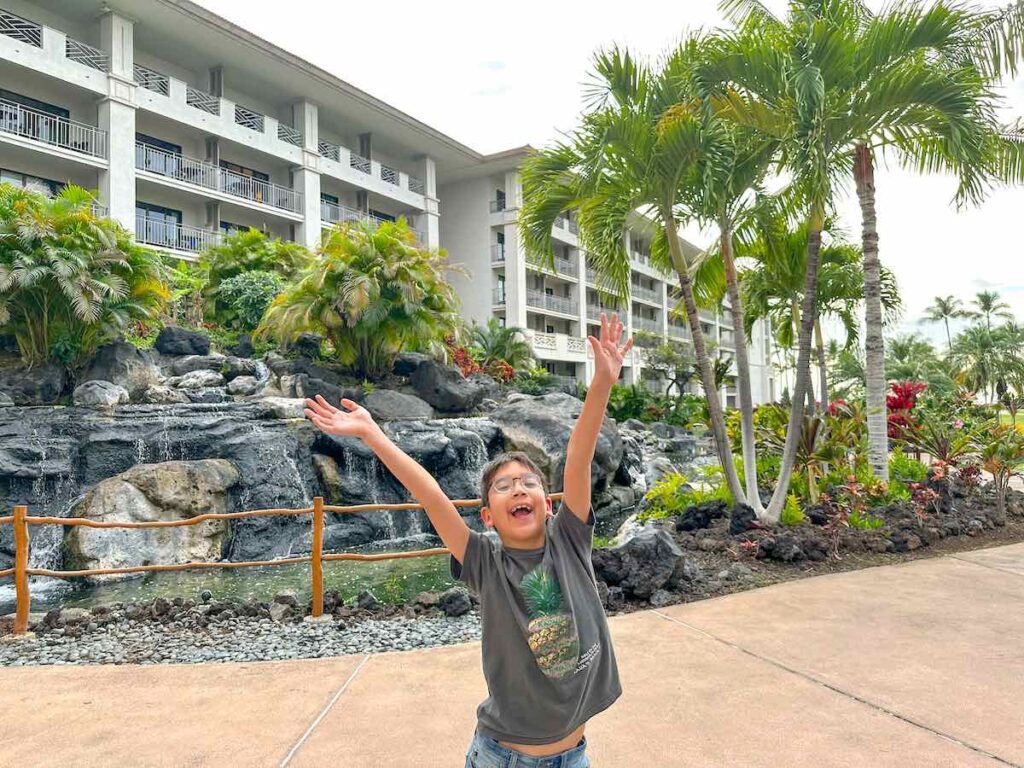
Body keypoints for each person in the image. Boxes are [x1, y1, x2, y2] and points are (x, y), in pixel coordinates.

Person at [303, 312, 633, 767]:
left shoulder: (570, 541)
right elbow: (430, 494)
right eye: (504, 486)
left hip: (574, 756)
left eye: (529, 482)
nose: (518, 488)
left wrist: (601, 386)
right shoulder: (484, 560)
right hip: (505, 758)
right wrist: (372, 434)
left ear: (549, 504)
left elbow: (577, 460)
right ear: (488, 517)